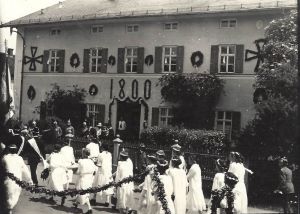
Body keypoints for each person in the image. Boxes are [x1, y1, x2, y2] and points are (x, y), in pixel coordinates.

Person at [2, 144, 33, 213]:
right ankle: (9, 208)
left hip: (7, 180)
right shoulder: (19, 158)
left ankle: (8, 208)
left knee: (8, 195)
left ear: (9, 150)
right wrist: (30, 180)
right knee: (15, 195)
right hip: (17, 181)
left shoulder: (5, 158)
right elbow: (25, 170)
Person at [73, 148, 97, 214]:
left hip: (83, 178)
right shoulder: (91, 162)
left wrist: (75, 172)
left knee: (82, 192)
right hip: (89, 179)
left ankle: (89, 208)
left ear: (83, 153)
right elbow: (95, 170)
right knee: (84, 192)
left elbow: (78, 171)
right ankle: (76, 203)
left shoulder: (81, 161)